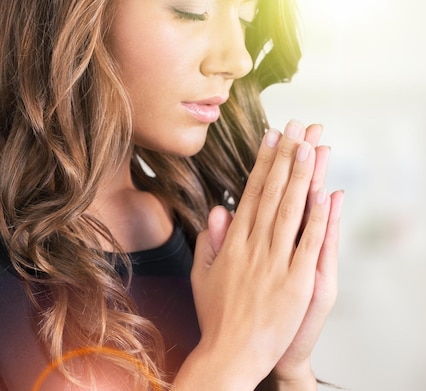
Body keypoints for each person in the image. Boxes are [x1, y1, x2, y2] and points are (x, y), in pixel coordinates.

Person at [0, 0, 344, 389]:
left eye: (246, 18)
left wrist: (287, 370)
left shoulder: (200, 225)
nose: (239, 59)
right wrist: (231, 356)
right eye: (191, 11)